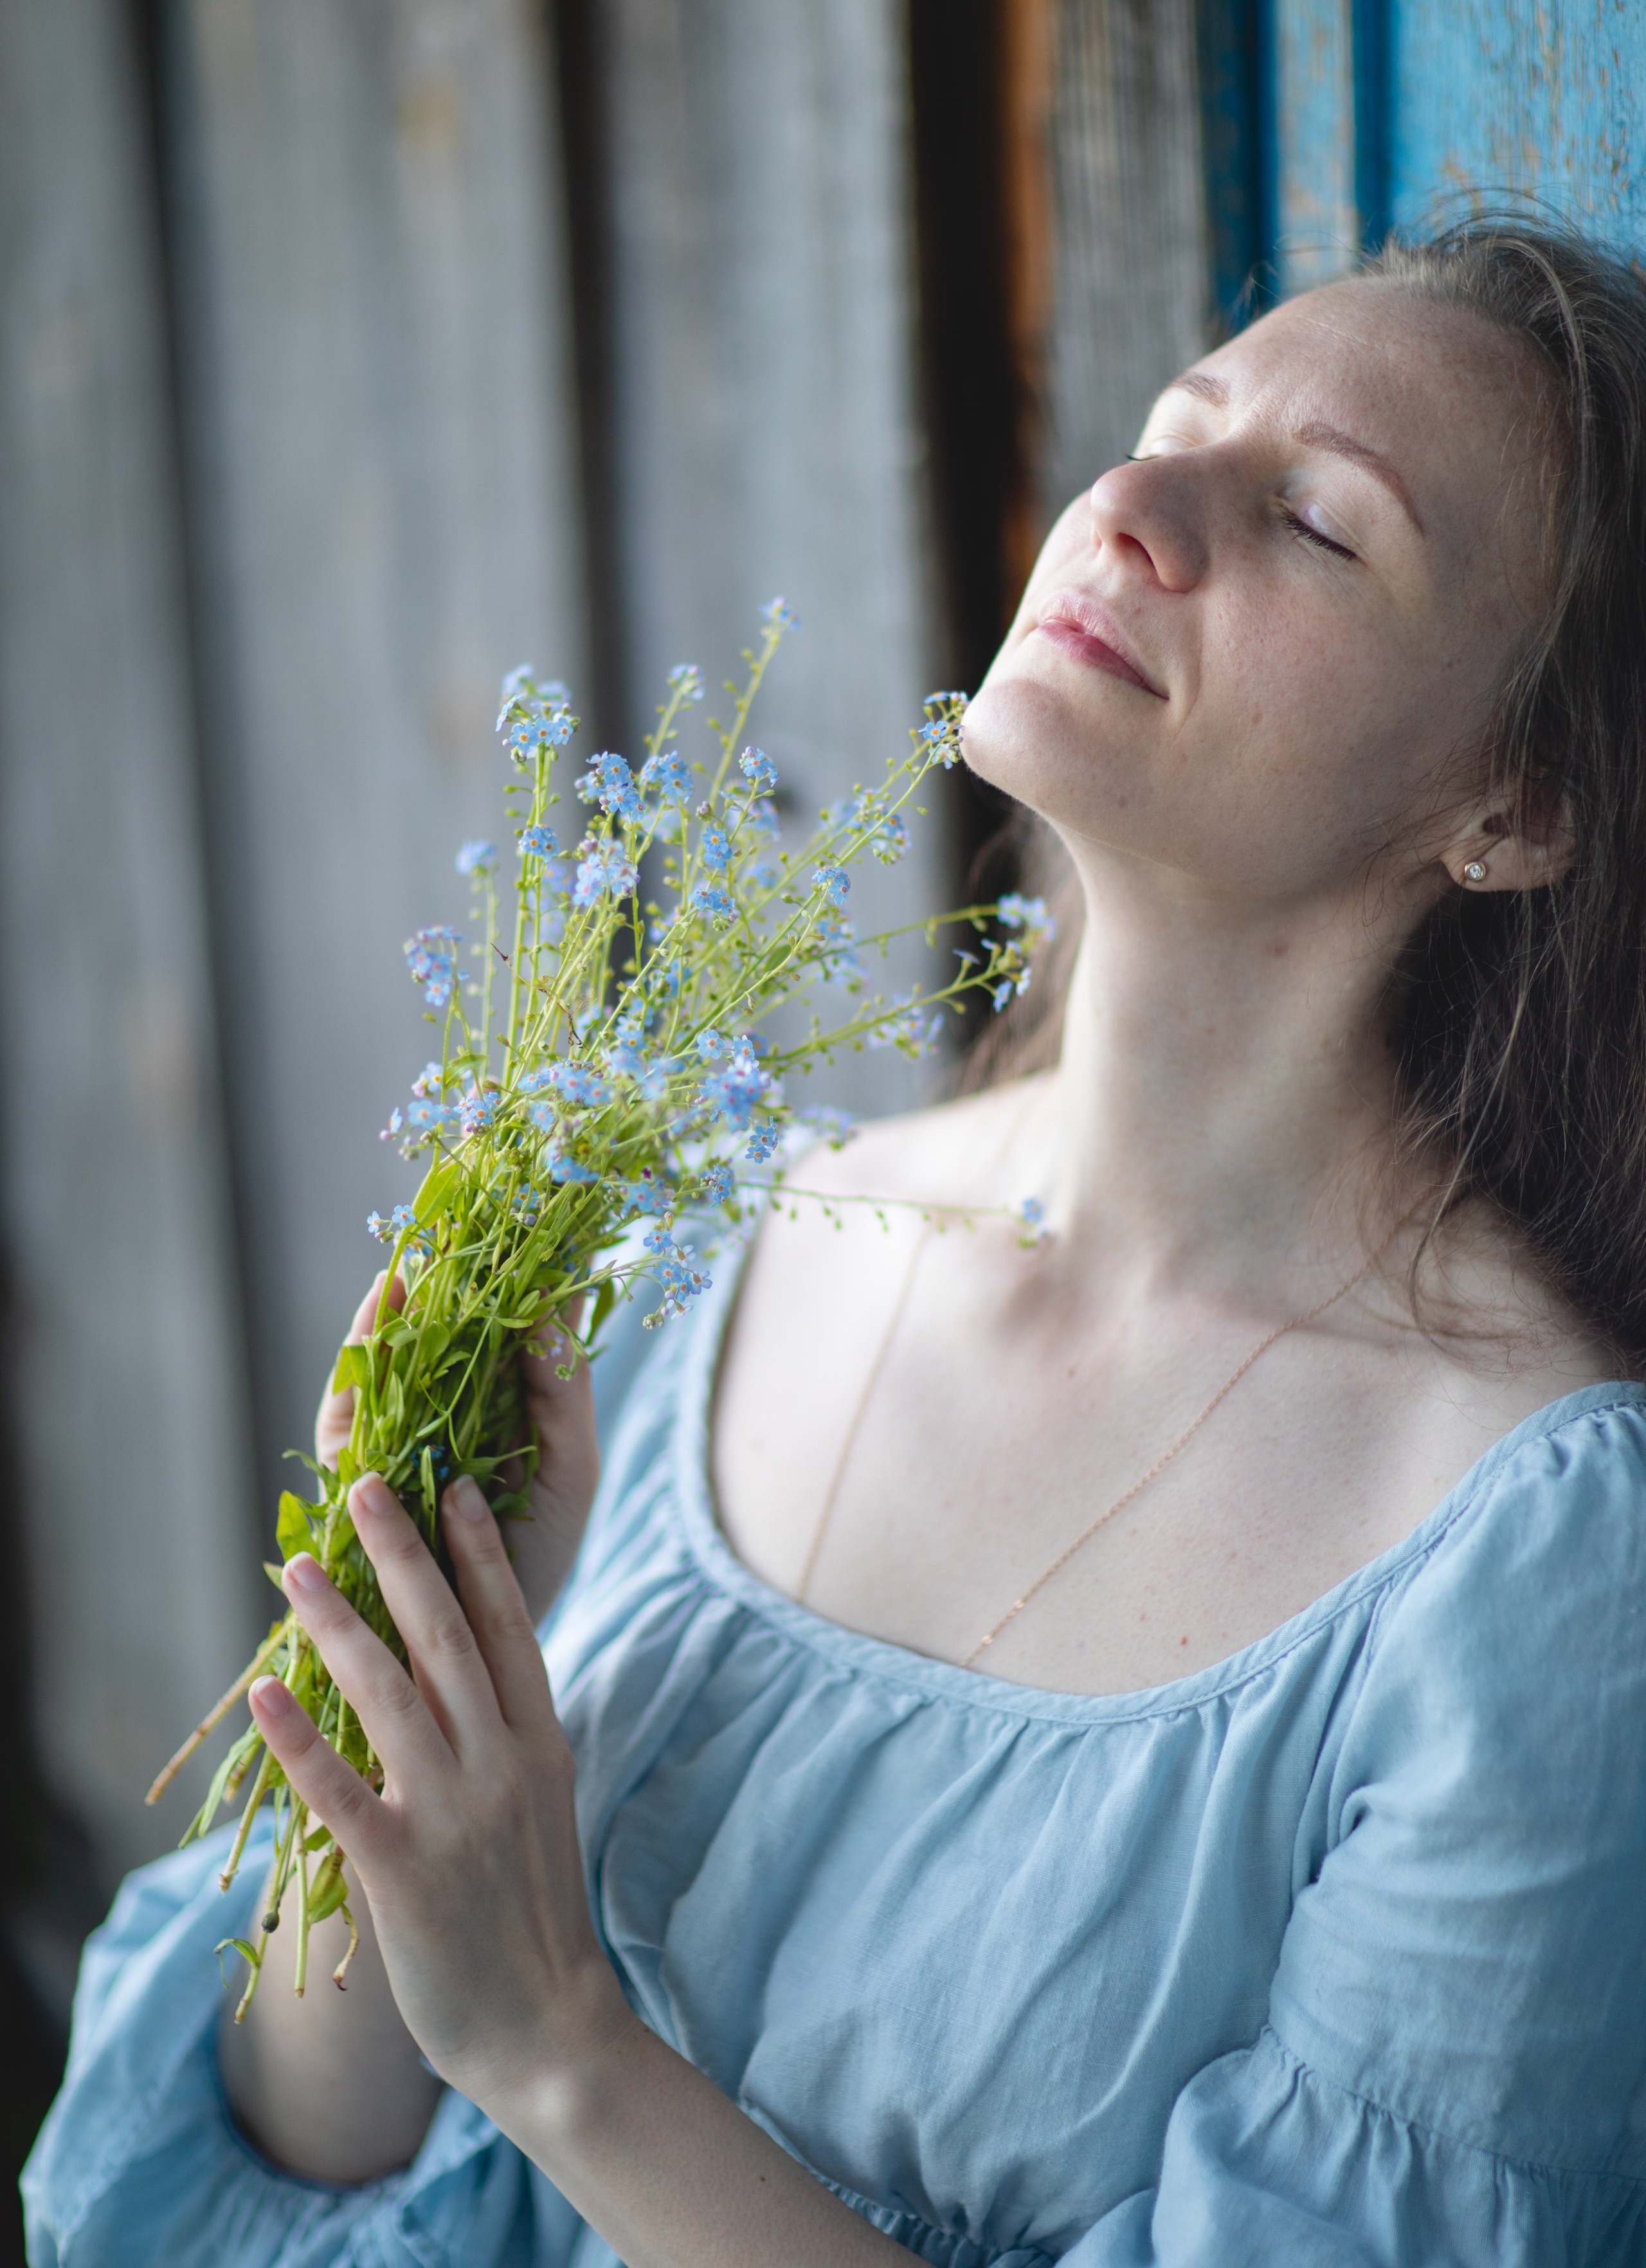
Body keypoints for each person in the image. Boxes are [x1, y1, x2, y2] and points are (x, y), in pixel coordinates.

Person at [26, 217, 1646, 2266]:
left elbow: (515, 2049)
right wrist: (408, 1729)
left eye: (1318, 526)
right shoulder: (703, 1242)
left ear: (1514, 804)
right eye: (1171, 431)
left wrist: (560, 2047)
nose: (1132, 511)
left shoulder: (1536, 1570)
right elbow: (289, 2180)